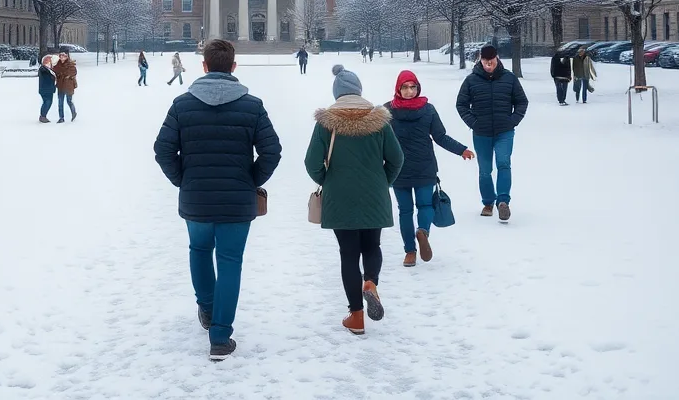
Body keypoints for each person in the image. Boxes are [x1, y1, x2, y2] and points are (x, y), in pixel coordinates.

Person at [154, 39, 282, 362]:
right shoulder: (252, 105)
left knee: (199, 250)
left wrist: (183, 179)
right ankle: (221, 337)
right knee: (230, 262)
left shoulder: (182, 105)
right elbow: (272, 151)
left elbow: (163, 150)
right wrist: (251, 179)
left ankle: (208, 309)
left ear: (205, 66)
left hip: (196, 199)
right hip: (237, 202)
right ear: (233, 68)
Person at [304, 65, 403, 336]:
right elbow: (397, 159)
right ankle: (370, 282)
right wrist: (384, 182)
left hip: (340, 198)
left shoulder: (326, 122)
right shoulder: (379, 121)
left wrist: (328, 180)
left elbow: (311, 162)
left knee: (348, 254)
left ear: (336, 93)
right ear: (359, 90)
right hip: (375, 195)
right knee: (372, 245)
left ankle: (356, 316)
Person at [386, 70, 474, 267]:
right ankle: (423, 231)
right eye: (405, 87)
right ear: (398, 89)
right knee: (423, 206)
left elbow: (440, 136)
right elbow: (440, 137)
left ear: (418, 87)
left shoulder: (390, 110)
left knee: (405, 211)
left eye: (412, 87)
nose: (409, 91)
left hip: (405, 168)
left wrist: (461, 150)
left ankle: (410, 252)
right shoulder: (422, 109)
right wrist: (461, 150)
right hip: (413, 168)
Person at [456, 44, 528, 222]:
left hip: (504, 131)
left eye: (492, 61)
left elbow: (521, 102)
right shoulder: (471, 80)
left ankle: (503, 202)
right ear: (480, 60)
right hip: (482, 132)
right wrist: (473, 122)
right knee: (485, 170)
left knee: (504, 163)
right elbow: (461, 105)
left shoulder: (509, 78)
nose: (489, 64)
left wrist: (513, 121)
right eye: (486, 61)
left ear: (497, 59)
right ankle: (488, 202)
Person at [52, 50, 78, 122]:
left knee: (69, 101)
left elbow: (73, 72)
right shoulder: (57, 64)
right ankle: (61, 118)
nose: (62, 57)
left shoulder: (70, 64)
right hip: (60, 86)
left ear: (67, 56)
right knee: (60, 103)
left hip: (68, 86)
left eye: (64, 56)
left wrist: (63, 74)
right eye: (61, 56)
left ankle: (73, 113)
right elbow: (54, 71)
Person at [37, 54, 56, 123]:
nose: (50, 62)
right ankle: (42, 116)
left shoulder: (48, 69)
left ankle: (43, 116)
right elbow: (49, 78)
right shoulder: (43, 69)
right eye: (49, 60)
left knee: (48, 102)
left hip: (48, 89)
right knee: (47, 102)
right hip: (45, 89)